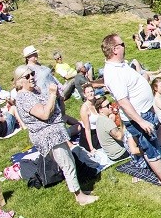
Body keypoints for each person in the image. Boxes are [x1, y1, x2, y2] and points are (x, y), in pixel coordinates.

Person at [101, 34, 161, 189]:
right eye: (122, 44)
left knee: (153, 144)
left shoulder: (120, 66)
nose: (125, 46)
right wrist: (141, 121)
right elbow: (123, 102)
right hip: (138, 117)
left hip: (145, 112)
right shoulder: (113, 73)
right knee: (150, 148)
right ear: (115, 49)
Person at [12, 65, 98, 205]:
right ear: (19, 81)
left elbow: (55, 109)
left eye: (32, 74)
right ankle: (80, 197)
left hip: (56, 132)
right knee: (67, 163)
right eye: (27, 76)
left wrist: (57, 97)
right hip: (49, 136)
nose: (32, 77)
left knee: (69, 160)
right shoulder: (24, 97)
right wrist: (52, 94)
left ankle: (79, 191)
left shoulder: (34, 91)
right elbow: (45, 114)